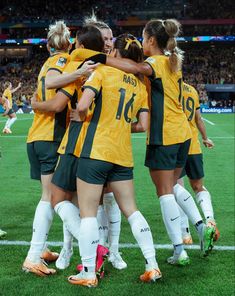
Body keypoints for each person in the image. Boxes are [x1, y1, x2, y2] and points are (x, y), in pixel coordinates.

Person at [81, 19, 216, 263]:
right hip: (183, 134)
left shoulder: (154, 62)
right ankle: (199, 224)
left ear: (151, 40)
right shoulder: (173, 61)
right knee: (174, 186)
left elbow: (134, 69)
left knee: (164, 192)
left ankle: (180, 250)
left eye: (143, 38)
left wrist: (101, 58)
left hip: (164, 136)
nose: (142, 43)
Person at [54, 33, 162, 288]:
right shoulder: (139, 86)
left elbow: (82, 106)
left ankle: (88, 272)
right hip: (122, 155)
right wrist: (121, 126)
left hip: (96, 152)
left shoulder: (103, 72)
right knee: (132, 211)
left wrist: (83, 115)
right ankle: (152, 264)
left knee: (88, 214)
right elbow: (142, 125)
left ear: (115, 53)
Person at [22, 21, 95, 276]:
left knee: (52, 197)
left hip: (38, 137)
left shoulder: (46, 63)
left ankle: (41, 248)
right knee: (53, 199)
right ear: (69, 43)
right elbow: (56, 104)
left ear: (47, 44)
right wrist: (78, 73)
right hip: (52, 138)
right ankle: (34, 256)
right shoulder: (64, 62)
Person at [178, 82, 219, 243]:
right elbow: (198, 118)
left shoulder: (169, 87)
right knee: (198, 186)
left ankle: (185, 234)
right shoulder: (192, 90)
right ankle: (210, 220)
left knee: (177, 189)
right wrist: (205, 138)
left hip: (175, 144)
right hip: (193, 145)